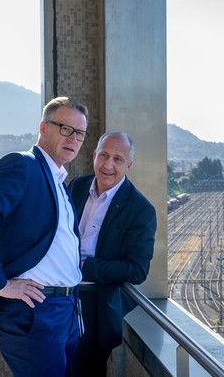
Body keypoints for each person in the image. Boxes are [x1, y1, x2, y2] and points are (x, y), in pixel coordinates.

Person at [0, 96, 89, 376]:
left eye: (80, 133)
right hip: (34, 311)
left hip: (65, 309)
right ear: (43, 128)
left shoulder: (58, 181)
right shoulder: (22, 165)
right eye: (65, 129)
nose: (73, 138)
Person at [68, 130, 156, 376]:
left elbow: (137, 270)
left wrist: (85, 267)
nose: (108, 165)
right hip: (58, 296)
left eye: (118, 159)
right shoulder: (77, 186)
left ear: (129, 165)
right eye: (104, 155)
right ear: (94, 155)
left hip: (95, 305)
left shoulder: (140, 209)